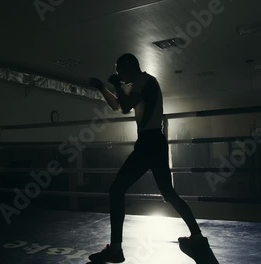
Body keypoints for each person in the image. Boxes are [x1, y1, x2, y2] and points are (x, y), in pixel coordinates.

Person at [88, 53, 209, 263]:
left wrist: (116, 84)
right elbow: (118, 105)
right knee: (168, 193)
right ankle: (197, 237)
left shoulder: (146, 80)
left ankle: (116, 249)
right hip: (153, 142)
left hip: (149, 142)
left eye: (120, 71)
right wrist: (102, 88)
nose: (119, 75)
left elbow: (125, 106)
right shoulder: (137, 85)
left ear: (129, 67)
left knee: (117, 189)